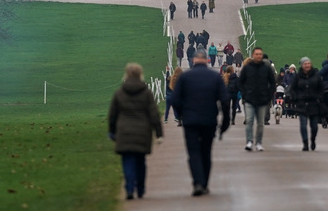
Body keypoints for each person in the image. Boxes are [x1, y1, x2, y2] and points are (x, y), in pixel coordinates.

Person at [172, 49, 230, 196]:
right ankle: (204, 183)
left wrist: (181, 115)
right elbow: (225, 100)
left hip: (190, 120)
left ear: (193, 61)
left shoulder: (185, 77)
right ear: (207, 60)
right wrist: (225, 122)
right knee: (206, 151)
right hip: (209, 120)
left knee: (193, 152)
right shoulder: (214, 77)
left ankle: (198, 182)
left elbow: (175, 99)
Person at [108, 63, 164, 200]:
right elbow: (154, 114)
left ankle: (129, 188)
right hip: (142, 132)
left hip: (124, 132)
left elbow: (112, 115)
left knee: (127, 161)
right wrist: (158, 133)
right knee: (140, 161)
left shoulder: (119, 93)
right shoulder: (146, 93)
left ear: (126, 75)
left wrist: (112, 131)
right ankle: (140, 188)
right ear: (140, 75)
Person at [238, 47, 276, 152]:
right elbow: (240, 82)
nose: (258, 56)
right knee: (249, 121)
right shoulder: (247, 68)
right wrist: (244, 94)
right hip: (249, 99)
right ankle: (249, 141)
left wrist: (269, 96)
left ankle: (258, 142)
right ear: (253, 55)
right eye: (256, 54)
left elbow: (273, 83)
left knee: (260, 123)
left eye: (260, 54)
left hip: (262, 100)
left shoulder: (267, 68)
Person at [288, 57, 324, 151]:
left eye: (308, 63)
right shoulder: (298, 76)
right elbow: (293, 89)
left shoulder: (316, 75)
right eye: (305, 64)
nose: (307, 65)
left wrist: (319, 97)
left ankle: (313, 139)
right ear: (302, 65)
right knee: (303, 125)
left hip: (314, 104)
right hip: (302, 103)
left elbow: (321, 88)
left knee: (314, 126)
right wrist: (295, 97)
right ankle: (305, 143)